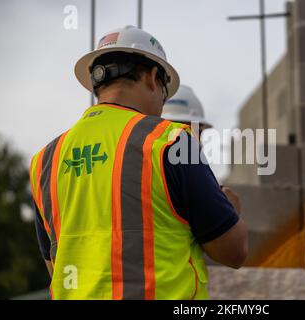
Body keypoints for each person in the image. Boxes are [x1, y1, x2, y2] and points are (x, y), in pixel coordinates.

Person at [29, 25, 247, 300]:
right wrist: (231, 212)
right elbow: (234, 252)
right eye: (164, 94)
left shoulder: (45, 161)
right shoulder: (169, 140)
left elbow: (55, 266)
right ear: (154, 78)